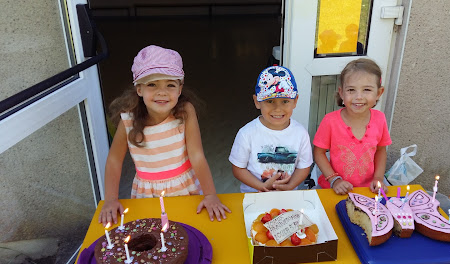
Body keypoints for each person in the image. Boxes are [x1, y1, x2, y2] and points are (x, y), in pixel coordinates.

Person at [98, 45, 231, 225]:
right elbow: (114, 160)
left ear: (180, 88)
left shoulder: (185, 112)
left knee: (189, 231)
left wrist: (210, 194)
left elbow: (197, 155)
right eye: (152, 84)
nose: (162, 92)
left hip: (185, 188)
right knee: (155, 237)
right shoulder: (128, 119)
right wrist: (111, 199)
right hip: (147, 194)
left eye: (170, 85)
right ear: (139, 89)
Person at [313, 58, 391, 195]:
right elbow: (318, 153)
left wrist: (378, 178)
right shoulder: (330, 121)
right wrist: (334, 179)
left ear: (379, 93)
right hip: (333, 189)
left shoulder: (380, 119)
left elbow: (381, 150)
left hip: (368, 191)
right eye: (351, 90)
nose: (358, 96)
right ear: (342, 93)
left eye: (367, 89)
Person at [229, 65, 313, 193]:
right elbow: (238, 169)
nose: (277, 109)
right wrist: (261, 186)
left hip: (288, 195)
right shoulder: (246, 134)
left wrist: (290, 186)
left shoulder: (300, 133)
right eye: (270, 101)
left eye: (285, 101)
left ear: (295, 101)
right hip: (255, 195)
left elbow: (304, 167)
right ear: (257, 101)